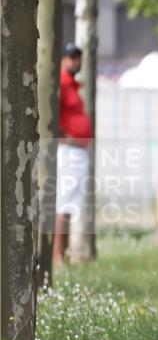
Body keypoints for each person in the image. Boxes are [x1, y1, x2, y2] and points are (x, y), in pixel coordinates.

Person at [53, 43, 93, 266]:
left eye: (78, 57)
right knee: (64, 203)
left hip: (78, 151)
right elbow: (51, 112)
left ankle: (64, 255)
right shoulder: (60, 83)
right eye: (71, 57)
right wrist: (65, 137)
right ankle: (58, 257)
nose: (75, 61)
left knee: (69, 206)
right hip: (69, 151)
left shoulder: (73, 85)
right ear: (63, 60)